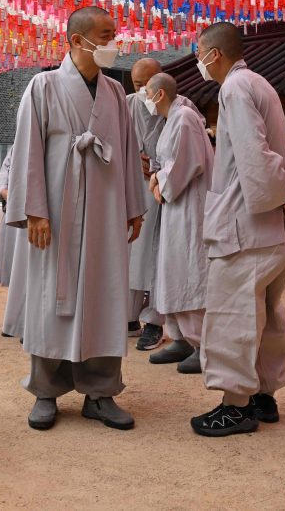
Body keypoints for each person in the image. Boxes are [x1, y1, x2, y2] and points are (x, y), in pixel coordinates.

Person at [5, 6, 145, 431]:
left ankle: (101, 392)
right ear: (76, 41)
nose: (112, 44)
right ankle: (46, 391)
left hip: (104, 208)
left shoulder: (116, 94)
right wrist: (34, 211)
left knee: (105, 297)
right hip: (58, 208)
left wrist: (134, 205)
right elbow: (28, 150)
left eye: (113, 35)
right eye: (105, 36)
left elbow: (126, 149)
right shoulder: (43, 87)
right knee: (52, 295)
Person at [190, 22, 285, 437]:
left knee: (233, 315)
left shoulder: (234, 90)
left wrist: (280, 194)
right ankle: (263, 394)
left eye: (199, 51)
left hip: (245, 225)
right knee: (266, 315)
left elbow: (255, 158)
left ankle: (235, 404)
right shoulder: (259, 84)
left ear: (214, 54)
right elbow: (278, 154)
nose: (197, 58)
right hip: (265, 224)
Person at [143, 73, 214, 375]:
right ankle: (181, 337)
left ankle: (203, 344)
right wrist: (158, 176)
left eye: (145, 90)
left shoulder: (184, 117)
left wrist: (159, 180)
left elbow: (188, 162)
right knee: (171, 269)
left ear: (159, 94)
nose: (143, 96)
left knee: (188, 268)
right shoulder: (172, 118)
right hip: (174, 207)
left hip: (189, 207)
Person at [124, 58, 167, 351]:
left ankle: (156, 321)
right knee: (130, 253)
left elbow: (191, 150)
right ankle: (127, 316)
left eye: (148, 84)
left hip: (165, 192)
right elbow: (107, 141)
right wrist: (128, 161)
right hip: (131, 189)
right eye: (137, 84)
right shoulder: (124, 104)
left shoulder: (178, 108)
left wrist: (158, 167)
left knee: (159, 257)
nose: (143, 90)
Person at [0, 151, 23, 338]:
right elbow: (4, 174)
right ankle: (14, 321)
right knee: (16, 270)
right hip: (15, 212)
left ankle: (24, 322)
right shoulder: (15, 149)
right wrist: (5, 191)